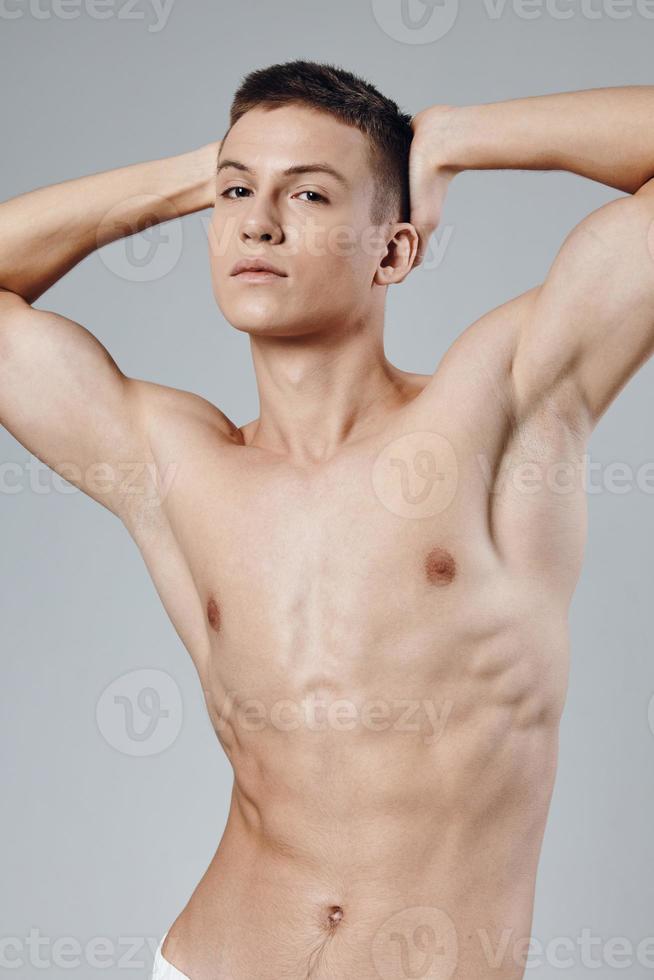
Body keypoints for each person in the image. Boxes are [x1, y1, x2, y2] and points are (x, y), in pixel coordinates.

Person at [1, 59, 654, 980]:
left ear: (392, 251)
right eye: (238, 195)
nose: (258, 222)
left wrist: (456, 137)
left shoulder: (500, 406)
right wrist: (197, 176)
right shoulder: (173, 461)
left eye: (308, 195)